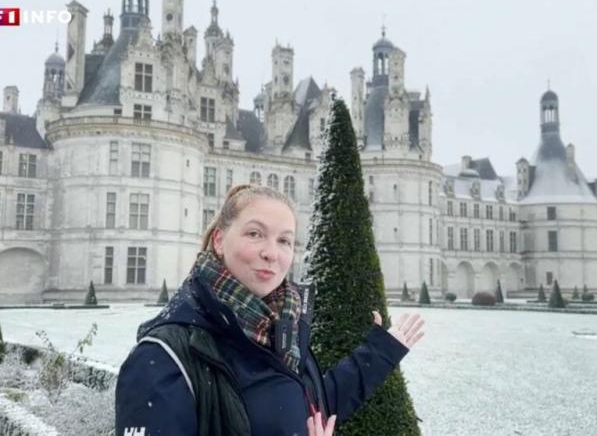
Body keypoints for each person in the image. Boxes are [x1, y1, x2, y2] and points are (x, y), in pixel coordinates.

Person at [115, 184, 425, 436]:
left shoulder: (282, 327)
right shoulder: (163, 357)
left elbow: (307, 406)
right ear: (220, 241)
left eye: (284, 241)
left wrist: (381, 351)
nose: (271, 253)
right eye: (255, 234)